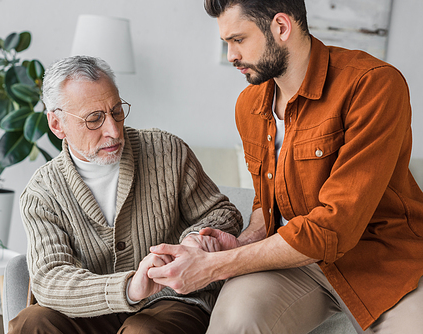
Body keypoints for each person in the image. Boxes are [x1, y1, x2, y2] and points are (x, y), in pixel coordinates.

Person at [148, 1, 423, 333]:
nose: (231, 55)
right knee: (234, 325)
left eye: (238, 39)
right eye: (226, 43)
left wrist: (215, 266)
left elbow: (334, 227)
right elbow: (267, 203)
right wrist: (244, 242)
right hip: (291, 262)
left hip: (384, 260)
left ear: (281, 27)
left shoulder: (373, 85)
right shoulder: (249, 105)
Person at [8, 55, 242, 333]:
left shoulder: (167, 150)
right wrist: (129, 287)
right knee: (31, 323)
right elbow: (50, 278)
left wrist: (194, 239)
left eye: (117, 111)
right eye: (94, 119)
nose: (113, 129)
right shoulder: (42, 192)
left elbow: (223, 214)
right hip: (93, 310)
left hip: (172, 301)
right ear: (57, 124)